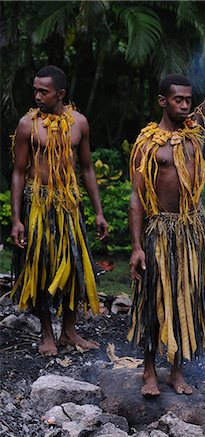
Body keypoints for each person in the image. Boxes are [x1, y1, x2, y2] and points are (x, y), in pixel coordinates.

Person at [128, 2, 205, 396]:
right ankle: (149, 371)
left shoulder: (196, 133)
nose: (184, 104)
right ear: (163, 101)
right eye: (177, 99)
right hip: (158, 232)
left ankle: (177, 370)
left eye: (187, 99)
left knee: (186, 297)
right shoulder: (147, 143)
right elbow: (135, 197)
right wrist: (135, 247)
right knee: (152, 302)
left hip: (191, 230)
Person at [10, 65, 108, 356]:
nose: (38, 96)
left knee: (75, 268)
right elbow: (17, 172)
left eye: (44, 91)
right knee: (40, 268)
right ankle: (46, 334)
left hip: (69, 206)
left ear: (60, 93)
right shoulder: (28, 124)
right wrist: (17, 219)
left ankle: (69, 331)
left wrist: (98, 211)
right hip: (38, 203)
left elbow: (87, 168)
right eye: (35, 90)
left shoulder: (79, 123)